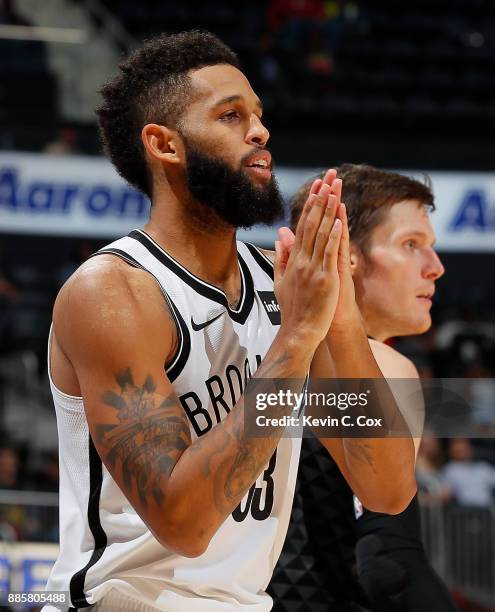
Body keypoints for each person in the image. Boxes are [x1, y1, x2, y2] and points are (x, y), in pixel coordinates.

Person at [43, 32, 415, 612]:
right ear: (164, 144)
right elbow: (184, 524)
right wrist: (293, 341)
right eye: (230, 115)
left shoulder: (284, 284)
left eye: (259, 115)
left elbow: (387, 489)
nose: (260, 130)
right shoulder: (113, 294)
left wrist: (337, 317)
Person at [271, 164, 456, 611]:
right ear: (346, 254)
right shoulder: (389, 368)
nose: (436, 267)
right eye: (411, 245)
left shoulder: (247, 342)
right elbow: (390, 565)